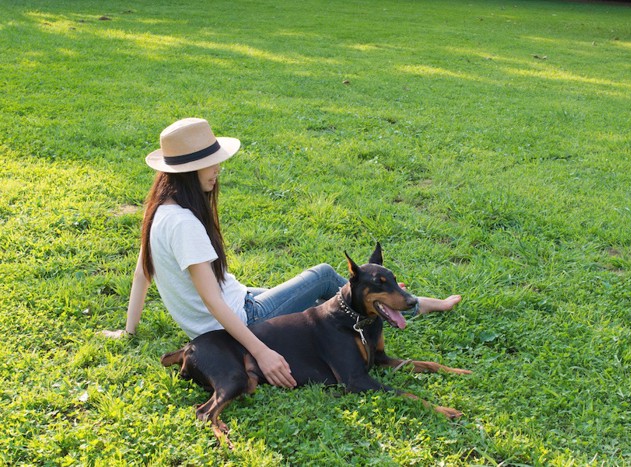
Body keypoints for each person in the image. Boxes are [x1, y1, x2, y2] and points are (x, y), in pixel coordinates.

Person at [103, 118, 462, 388]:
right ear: (189, 171)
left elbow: (141, 274)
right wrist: (260, 350)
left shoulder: (159, 212)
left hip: (238, 300)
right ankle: (407, 303)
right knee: (322, 275)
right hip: (240, 318)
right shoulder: (185, 224)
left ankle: (394, 303)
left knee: (311, 294)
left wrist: (129, 331)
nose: (217, 170)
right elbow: (215, 304)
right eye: (211, 164)